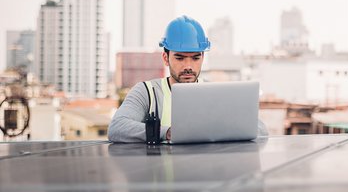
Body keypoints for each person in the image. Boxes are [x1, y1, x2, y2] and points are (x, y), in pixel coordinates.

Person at [108, 15, 268, 143]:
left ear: (203, 57)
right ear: (165, 57)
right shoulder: (147, 93)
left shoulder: (215, 94)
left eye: (195, 58)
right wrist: (168, 132)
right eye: (180, 58)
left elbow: (260, 129)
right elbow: (117, 127)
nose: (188, 66)